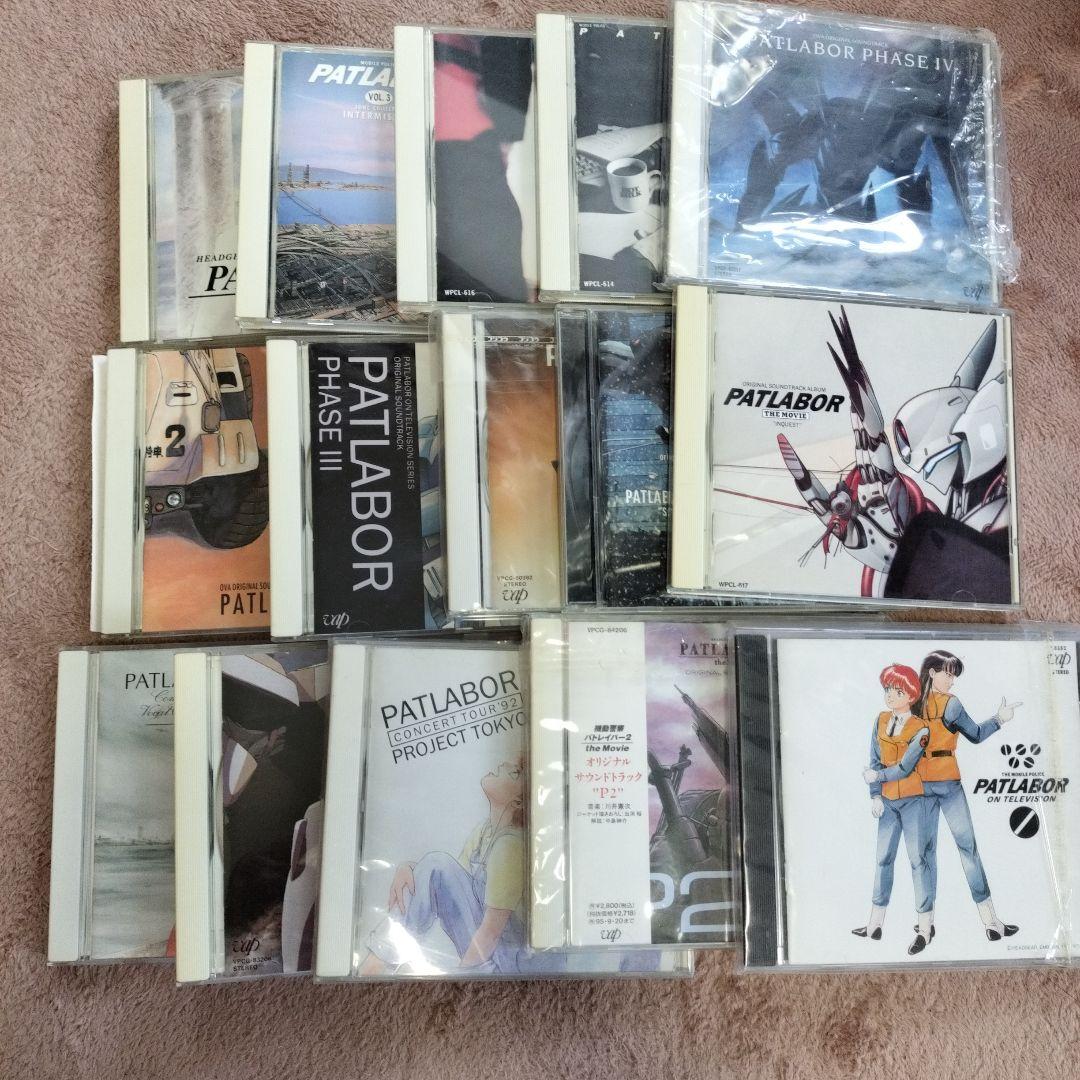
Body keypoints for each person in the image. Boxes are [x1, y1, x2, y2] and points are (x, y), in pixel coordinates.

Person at [360, 756, 533, 975]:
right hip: (482, 951)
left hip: (503, 962)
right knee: (435, 865)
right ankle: (378, 960)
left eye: (515, 773)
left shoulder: (510, 845)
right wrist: (408, 868)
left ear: (518, 802)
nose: (503, 764)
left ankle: (377, 962)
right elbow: (449, 879)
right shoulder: (485, 832)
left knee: (436, 864)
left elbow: (491, 932)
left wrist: (459, 980)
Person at [914, 650, 1020, 942]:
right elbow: (975, 734)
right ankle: (989, 923)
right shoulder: (947, 703)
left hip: (925, 784)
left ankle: (930, 927)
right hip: (941, 782)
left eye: (954, 675)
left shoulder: (917, 702)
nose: (952, 680)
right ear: (932, 672)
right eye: (948, 674)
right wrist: (999, 719)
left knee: (929, 854)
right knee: (963, 850)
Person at [854, 663, 934, 955]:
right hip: (887, 801)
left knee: (918, 861)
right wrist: (875, 794)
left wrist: (877, 777)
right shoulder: (880, 719)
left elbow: (904, 768)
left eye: (897, 691)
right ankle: (874, 924)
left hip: (913, 800)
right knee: (883, 859)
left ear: (911, 695)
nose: (890, 695)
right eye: (888, 689)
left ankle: (924, 929)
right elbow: (874, 758)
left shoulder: (921, 729)